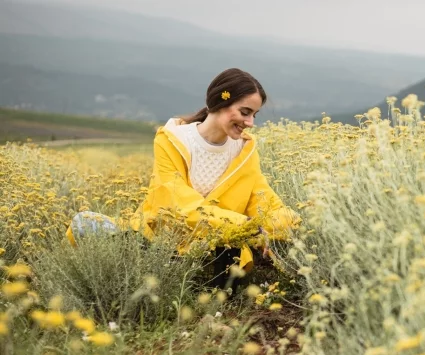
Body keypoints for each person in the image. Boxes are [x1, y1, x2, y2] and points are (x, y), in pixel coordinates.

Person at [65, 67, 302, 292]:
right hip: (161, 243)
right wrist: (247, 226)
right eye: (245, 112)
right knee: (84, 223)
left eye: (254, 115)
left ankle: (201, 287)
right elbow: (177, 204)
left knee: (232, 252)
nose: (250, 123)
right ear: (221, 102)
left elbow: (266, 201)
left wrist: (273, 225)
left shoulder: (245, 150)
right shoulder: (172, 141)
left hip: (219, 247)